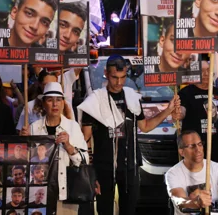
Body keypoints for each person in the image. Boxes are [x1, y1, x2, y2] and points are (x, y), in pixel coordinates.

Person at [78, 55, 181, 215]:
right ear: (106, 73)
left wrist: (167, 111)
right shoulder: (94, 100)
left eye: (123, 77)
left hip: (130, 167)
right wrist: (91, 171)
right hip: (104, 168)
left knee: (130, 210)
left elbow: (145, 126)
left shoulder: (132, 97)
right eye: (114, 77)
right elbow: (84, 139)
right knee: (105, 210)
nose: (119, 82)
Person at [21, 82, 89, 215]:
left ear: (63, 103)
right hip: (39, 194)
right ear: (43, 104)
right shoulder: (34, 128)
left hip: (66, 195)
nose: (55, 104)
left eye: (58, 100)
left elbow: (84, 160)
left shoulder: (72, 127)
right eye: (50, 100)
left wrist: (69, 147)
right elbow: (26, 161)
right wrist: (25, 142)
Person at [176, 58, 218, 166]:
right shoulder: (185, 93)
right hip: (195, 151)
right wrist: (179, 113)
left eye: (208, 70)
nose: (206, 74)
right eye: (201, 71)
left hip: (217, 152)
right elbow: (182, 111)